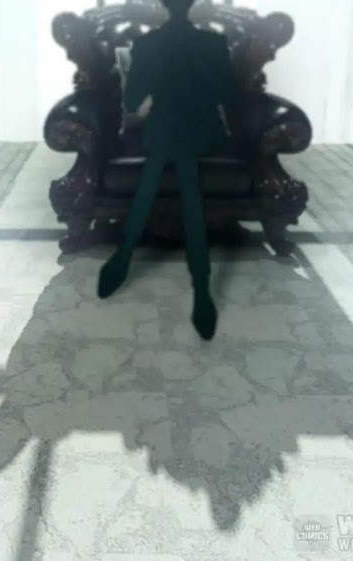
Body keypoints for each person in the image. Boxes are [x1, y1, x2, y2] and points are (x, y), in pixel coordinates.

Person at [97, 0, 237, 341]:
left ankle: (123, 257)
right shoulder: (213, 43)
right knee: (188, 179)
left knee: (160, 165)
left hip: (163, 132)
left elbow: (132, 101)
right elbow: (229, 96)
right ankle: (201, 288)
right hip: (202, 133)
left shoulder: (147, 44)